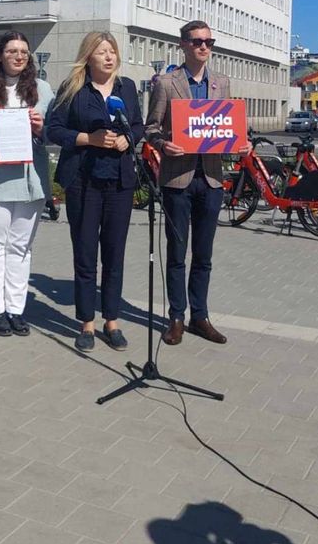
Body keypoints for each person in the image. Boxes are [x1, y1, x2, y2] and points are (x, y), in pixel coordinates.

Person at [46, 31, 143, 353]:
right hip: (84, 181)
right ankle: (86, 323)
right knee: (86, 254)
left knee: (114, 254)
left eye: (112, 51)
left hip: (119, 181)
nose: (109, 57)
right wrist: (89, 138)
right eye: (102, 51)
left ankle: (111, 321)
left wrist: (129, 139)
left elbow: (139, 125)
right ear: (88, 55)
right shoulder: (73, 88)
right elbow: (54, 129)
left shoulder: (126, 87)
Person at [144, 20, 236, 347]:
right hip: (177, 179)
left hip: (210, 178)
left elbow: (229, 127)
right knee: (177, 253)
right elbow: (151, 128)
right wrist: (163, 143)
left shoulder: (221, 84)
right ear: (183, 44)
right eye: (197, 41)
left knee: (204, 255)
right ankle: (177, 317)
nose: (204, 47)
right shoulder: (167, 83)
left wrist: (241, 142)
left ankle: (201, 315)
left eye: (209, 41)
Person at [0, 31, 54, 337]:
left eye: (23, 51)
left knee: (20, 248)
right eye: (12, 51)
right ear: (0, 55)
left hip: (29, 181)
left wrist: (42, 128)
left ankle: (16, 309)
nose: (19, 56)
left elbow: (54, 134)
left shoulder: (43, 90)